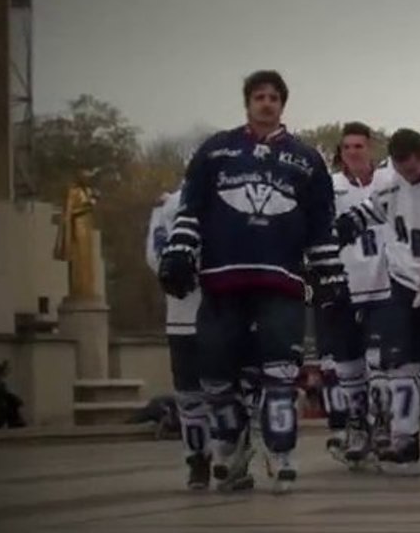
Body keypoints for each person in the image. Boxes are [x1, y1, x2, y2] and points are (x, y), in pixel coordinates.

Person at [159, 70, 347, 494]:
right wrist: (179, 252)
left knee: (281, 371)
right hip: (223, 279)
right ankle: (232, 445)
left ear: (283, 104)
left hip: (280, 280)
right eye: (259, 96)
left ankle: (280, 450)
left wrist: (330, 274)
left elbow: (321, 224)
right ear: (247, 102)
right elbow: (191, 207)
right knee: (215, 374)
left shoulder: (306, 159)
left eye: (274, 97)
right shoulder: (216, 151)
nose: (266, 103)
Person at [336, 127, 420, 471]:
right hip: (402, 278)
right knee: (400, 360)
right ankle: (405, 438)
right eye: (400, 166)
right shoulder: (389, 179)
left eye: (412, 166)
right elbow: (373, 209)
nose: (408, 173)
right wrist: (345, 226)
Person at [315, 122, 396, 467]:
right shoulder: (329, 188)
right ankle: (356, 423)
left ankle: (383, 423)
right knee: (348, 363)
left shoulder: (389, 182)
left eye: (359, 146)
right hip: (343, 283)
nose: (353, 153)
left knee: (380, 362)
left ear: (371, 148)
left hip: (383, 283)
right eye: (347, 147)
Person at [147, 183, 212, 489]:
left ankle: (231, 453)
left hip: (226, 311)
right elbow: (157, 253)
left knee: (230, 392)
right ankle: (198, 458)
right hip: (184, 315)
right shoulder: (170, 205)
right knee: (189, 396)